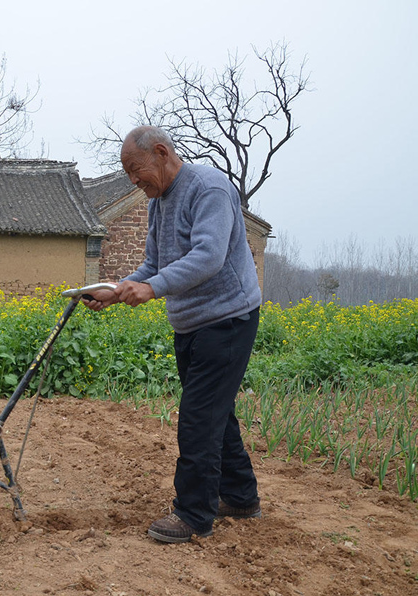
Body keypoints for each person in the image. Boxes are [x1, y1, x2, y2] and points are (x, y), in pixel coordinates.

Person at [83, 125, 263, 543]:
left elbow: (208, 256)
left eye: (135, 169)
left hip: (227, 320)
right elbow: (152, 264)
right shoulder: (158, 202)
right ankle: (240, 497)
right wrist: (115, 290)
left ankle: (194, 515)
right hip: (191, 324)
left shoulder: (210, 189)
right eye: (127, 172)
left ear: (161, 153)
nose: (132, 180)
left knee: (199, 418)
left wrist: (152, 288)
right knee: (216, 413)